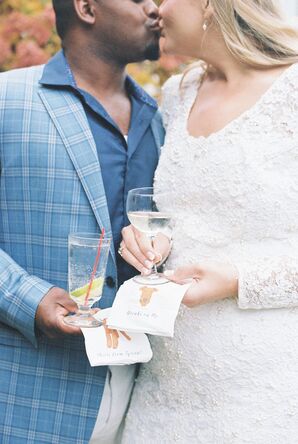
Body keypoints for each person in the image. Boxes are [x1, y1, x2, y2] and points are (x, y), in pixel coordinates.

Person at [120, 0, 298, 442]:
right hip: (164, 385)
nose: (155, 8)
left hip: (264, 389)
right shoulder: (177, 92)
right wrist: (151, 238)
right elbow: (182, 212)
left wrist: (238, 279)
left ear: (207, 5)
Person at [0, 0, 166, 443]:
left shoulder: (161, 122)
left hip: (142, 403)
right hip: (22, 400)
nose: (156, 8)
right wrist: (27, 299)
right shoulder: (6, 99)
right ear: (87, 8)